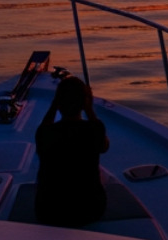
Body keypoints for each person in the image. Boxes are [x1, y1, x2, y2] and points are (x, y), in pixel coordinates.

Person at [34, 76, 109, 228]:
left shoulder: (45, 133)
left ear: (58, 103)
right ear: (83, 103)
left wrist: (54, 105)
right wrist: (89, 109)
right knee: (101, 173)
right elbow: (104, 146)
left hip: (48, 212)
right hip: (90, 210)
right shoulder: (94, 129)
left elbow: (43, 129)